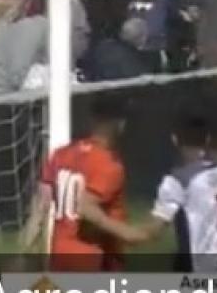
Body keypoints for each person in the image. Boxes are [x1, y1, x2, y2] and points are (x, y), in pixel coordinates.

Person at [20, 97, 143, 272]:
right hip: (93, 259)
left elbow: (40, 207)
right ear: (120, 124)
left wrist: (26, 251)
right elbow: (86, 208)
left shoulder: (61, 154)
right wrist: (126, 233)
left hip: (60, 255)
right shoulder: (109, 164)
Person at [137, 113, 217, 273]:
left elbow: (149, 233)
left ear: (174, 139)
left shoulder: (178, 180)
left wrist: (98, 218)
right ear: (207, 138)